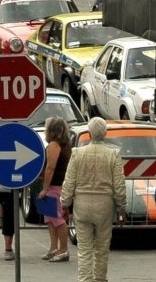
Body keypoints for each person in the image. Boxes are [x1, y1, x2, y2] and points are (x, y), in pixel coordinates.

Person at [63, 117, 127, 282]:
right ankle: (100, 278)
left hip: (82, 203)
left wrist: (65, 203)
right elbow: (119, 184)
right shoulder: (113, 155)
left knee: (84, 249)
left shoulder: (77, 154)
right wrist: (121, 207)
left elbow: (69, 182)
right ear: (105, 133)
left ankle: (85, 279)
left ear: (89, 133)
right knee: (102, 248)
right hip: (105, 204)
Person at [40, 116, 72, 263]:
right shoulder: (65, 145)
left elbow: (50, 167)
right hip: (60, 185)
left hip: (55, 186)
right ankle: (54, 247)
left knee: (57, 218)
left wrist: (45, 188)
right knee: (50, 218)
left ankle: (63, 249)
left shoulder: (54, 145)